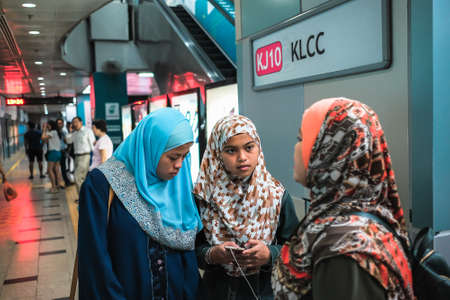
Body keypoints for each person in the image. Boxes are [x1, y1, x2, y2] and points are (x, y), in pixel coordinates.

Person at [271, 98, 415, 300]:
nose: (295, 148)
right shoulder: (354, 222)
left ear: (331, 150)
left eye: (302, 139)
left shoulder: (344, 248)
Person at [78, 108, 203, 299]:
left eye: (185, 156)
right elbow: (95, 262)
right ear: (151, 147)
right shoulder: (101, 186)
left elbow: (188, 256)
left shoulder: (178, 183)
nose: (179, 164)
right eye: (173, 156)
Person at [194, 115, 299, 300]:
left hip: (266, 291)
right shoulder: (203, 197)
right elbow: (191, 249)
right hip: (216, 291)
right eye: (231, 150)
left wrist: (269, 255)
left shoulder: (276, 196)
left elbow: (298, 249)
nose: (242, 157)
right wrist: (212, 254)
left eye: (249, 147)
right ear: (217, 153)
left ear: (258, 147)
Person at [65, 116, 95, 194]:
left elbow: (93, 145)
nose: (75, 124)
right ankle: (84, 198)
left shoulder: (87, 131)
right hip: (77, 157)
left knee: (77, 177)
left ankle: (82, 199)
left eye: (76, 122)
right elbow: (68, 141)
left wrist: (94, 158)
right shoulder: (74, 133)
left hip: (85, 156)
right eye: (73, 122)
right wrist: (70, 131)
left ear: (81, 122)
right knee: (82, 179)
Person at [41, 120, 65, 193]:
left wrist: (44, 129)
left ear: (51, 125)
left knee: (50, 170)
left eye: (48, 125)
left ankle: (53, 187)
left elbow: (42, 138)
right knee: (57, 170)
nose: (47, 126)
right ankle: (58, 185)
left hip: (53, 153)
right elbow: (45, 141)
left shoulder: (52, 132)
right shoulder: (56, 132)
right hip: (58, 152)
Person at [57, 118, 71, 186]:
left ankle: (66, 181)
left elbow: (67, 142)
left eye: (60, 123)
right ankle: (57, 183)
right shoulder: (54, 132)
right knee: (56, 169)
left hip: (62, 151)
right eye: (58, 123)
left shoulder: (64, 132)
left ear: (63, 124)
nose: (59, 125)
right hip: (56, 152)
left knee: (63, 168)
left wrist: (68, 150)